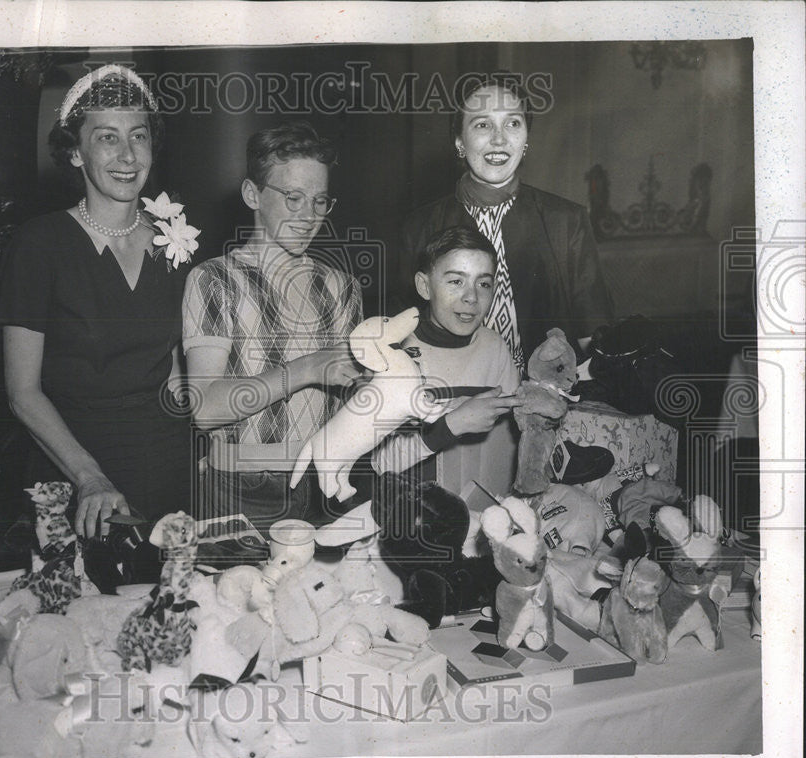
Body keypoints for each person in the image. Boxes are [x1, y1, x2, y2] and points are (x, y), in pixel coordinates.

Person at [0, 65, 197, 583]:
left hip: (166, 471)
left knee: (170, 628)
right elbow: (23, 394)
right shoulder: (39, 244)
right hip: (74, 474)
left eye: (139, 136)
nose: (127, 156)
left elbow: (180, 375)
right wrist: (89, 478)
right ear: (74, 152)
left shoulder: (174, 241)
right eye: (106, 138)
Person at [182, 121, 365, 534]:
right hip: (243, 488)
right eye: (293, 198)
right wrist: (309, 368)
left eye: (319, 201)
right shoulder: (215, 280)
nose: (308, 216)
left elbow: (353, 405)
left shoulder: (342, 288)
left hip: (326, 483)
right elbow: (205, 408)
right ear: (252, 194)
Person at [397, 74, 614, 372]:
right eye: (483, 124)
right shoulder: (420, 227)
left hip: (547, 400)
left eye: (513, 123)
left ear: (526, 139)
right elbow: (403, 333)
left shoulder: (566, 222)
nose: (499, 140)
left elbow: (595, 337)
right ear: (459, 140)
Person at [372, 225, 521, 509]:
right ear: (424, 286)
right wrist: (452, 425)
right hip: (412, 511)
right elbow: (380, 463)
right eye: (456, 281)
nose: (472, 297)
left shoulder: (495, 348)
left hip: (483, 507)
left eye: (484, 283)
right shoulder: (394, 353)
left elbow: (513, 442)